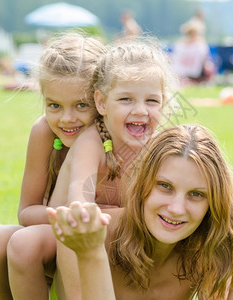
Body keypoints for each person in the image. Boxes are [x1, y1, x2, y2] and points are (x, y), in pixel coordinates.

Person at [48, 124, 233, 300]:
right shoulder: (89, 235)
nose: (177, 209)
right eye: (165, 187)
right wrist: (92, 254)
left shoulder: (204, 245)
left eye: (197, 194)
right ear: (142, 185)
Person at [0, 32, 106, 299]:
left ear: (101, 99)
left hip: (93, 243)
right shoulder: (44, 133)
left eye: (81, 105)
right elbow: (26, 212)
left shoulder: (113, 134)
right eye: (54, 105)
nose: (67, 118)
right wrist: (71, 216)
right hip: (48, 235)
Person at [46, 36, 178, 213]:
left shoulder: (159, 146)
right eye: (126, 99)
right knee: (25, 239)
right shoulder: (91, 143)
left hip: (114, 233)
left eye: (152, 100)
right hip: (65, 233)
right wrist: (120, 216)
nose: (140, 110)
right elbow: (79, 202)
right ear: (101, 103)